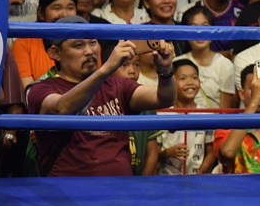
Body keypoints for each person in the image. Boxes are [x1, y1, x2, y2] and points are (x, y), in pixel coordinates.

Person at [26, 16, 176, 176]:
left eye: (92, 43)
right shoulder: (42, 88)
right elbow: (61, 109)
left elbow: (163, 98)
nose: (89, 51)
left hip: (121, 187)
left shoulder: (117, 86)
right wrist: (106, 69)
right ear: (55, 53)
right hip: (69, 188)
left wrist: (165, 70)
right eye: (78, 45)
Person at [215, 64, 260, 174]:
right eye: (254, 89)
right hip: (236, 185)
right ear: (242, 94)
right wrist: (254, 101)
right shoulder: (227, 126)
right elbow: (227, 154)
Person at [156, 59, 216, 176]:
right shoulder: (161, 115)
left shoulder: (207, 115)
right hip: (167, 179)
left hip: (197, 179)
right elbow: (153, 153)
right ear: (172, 82)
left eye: (194, 77)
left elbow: (211, 152)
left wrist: (200, 174)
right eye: (182, 78)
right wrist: (168, 153)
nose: (190, 82)